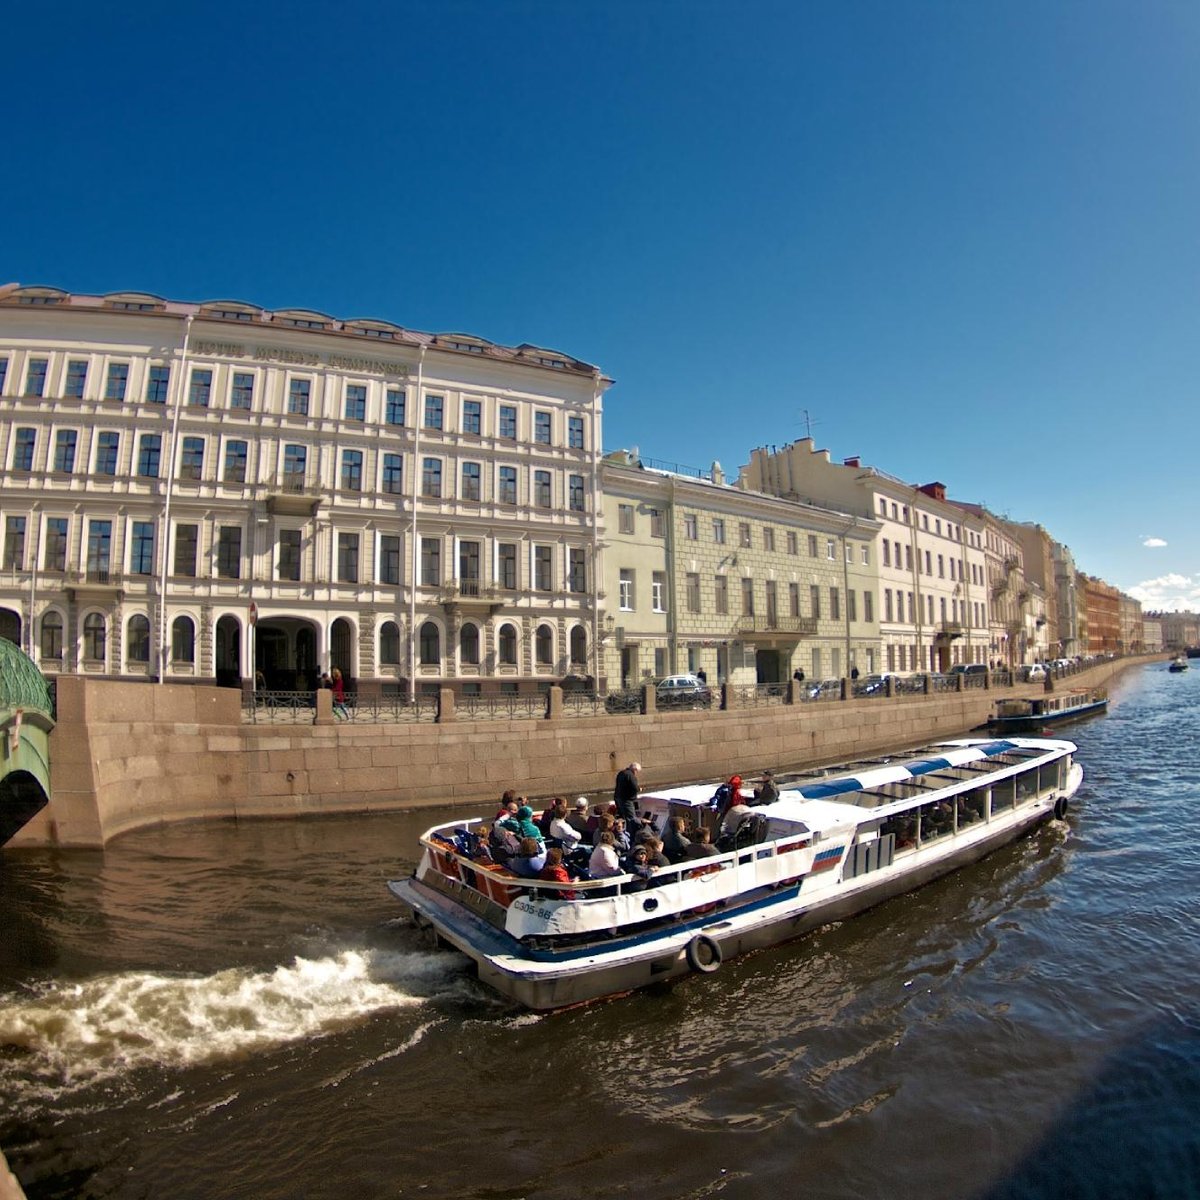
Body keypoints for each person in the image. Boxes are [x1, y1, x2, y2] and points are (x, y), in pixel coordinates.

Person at [613, 762, 642, 832]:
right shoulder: (631, 775)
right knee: (631, 818)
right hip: (626, 800)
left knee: (622, 816)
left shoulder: (621, 773)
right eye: (637, 771)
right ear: (634, 770)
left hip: (618, 798)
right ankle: (631, 833)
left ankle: (622, 831)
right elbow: (634, 787)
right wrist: (639, 789)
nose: (636, 773)